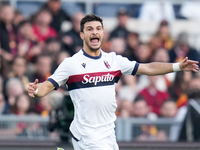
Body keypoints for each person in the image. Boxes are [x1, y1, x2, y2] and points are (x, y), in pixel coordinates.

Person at [28, 14, 199, 150]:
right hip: (87, 136)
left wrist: (177, 66)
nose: (94, 32)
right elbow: (47, 86)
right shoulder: (71, 64)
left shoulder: (114, 60)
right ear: (82, 35)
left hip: (108, 136)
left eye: (98, 28)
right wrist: (36, 90)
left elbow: (148, 68)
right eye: (89, 29)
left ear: (103, 33)